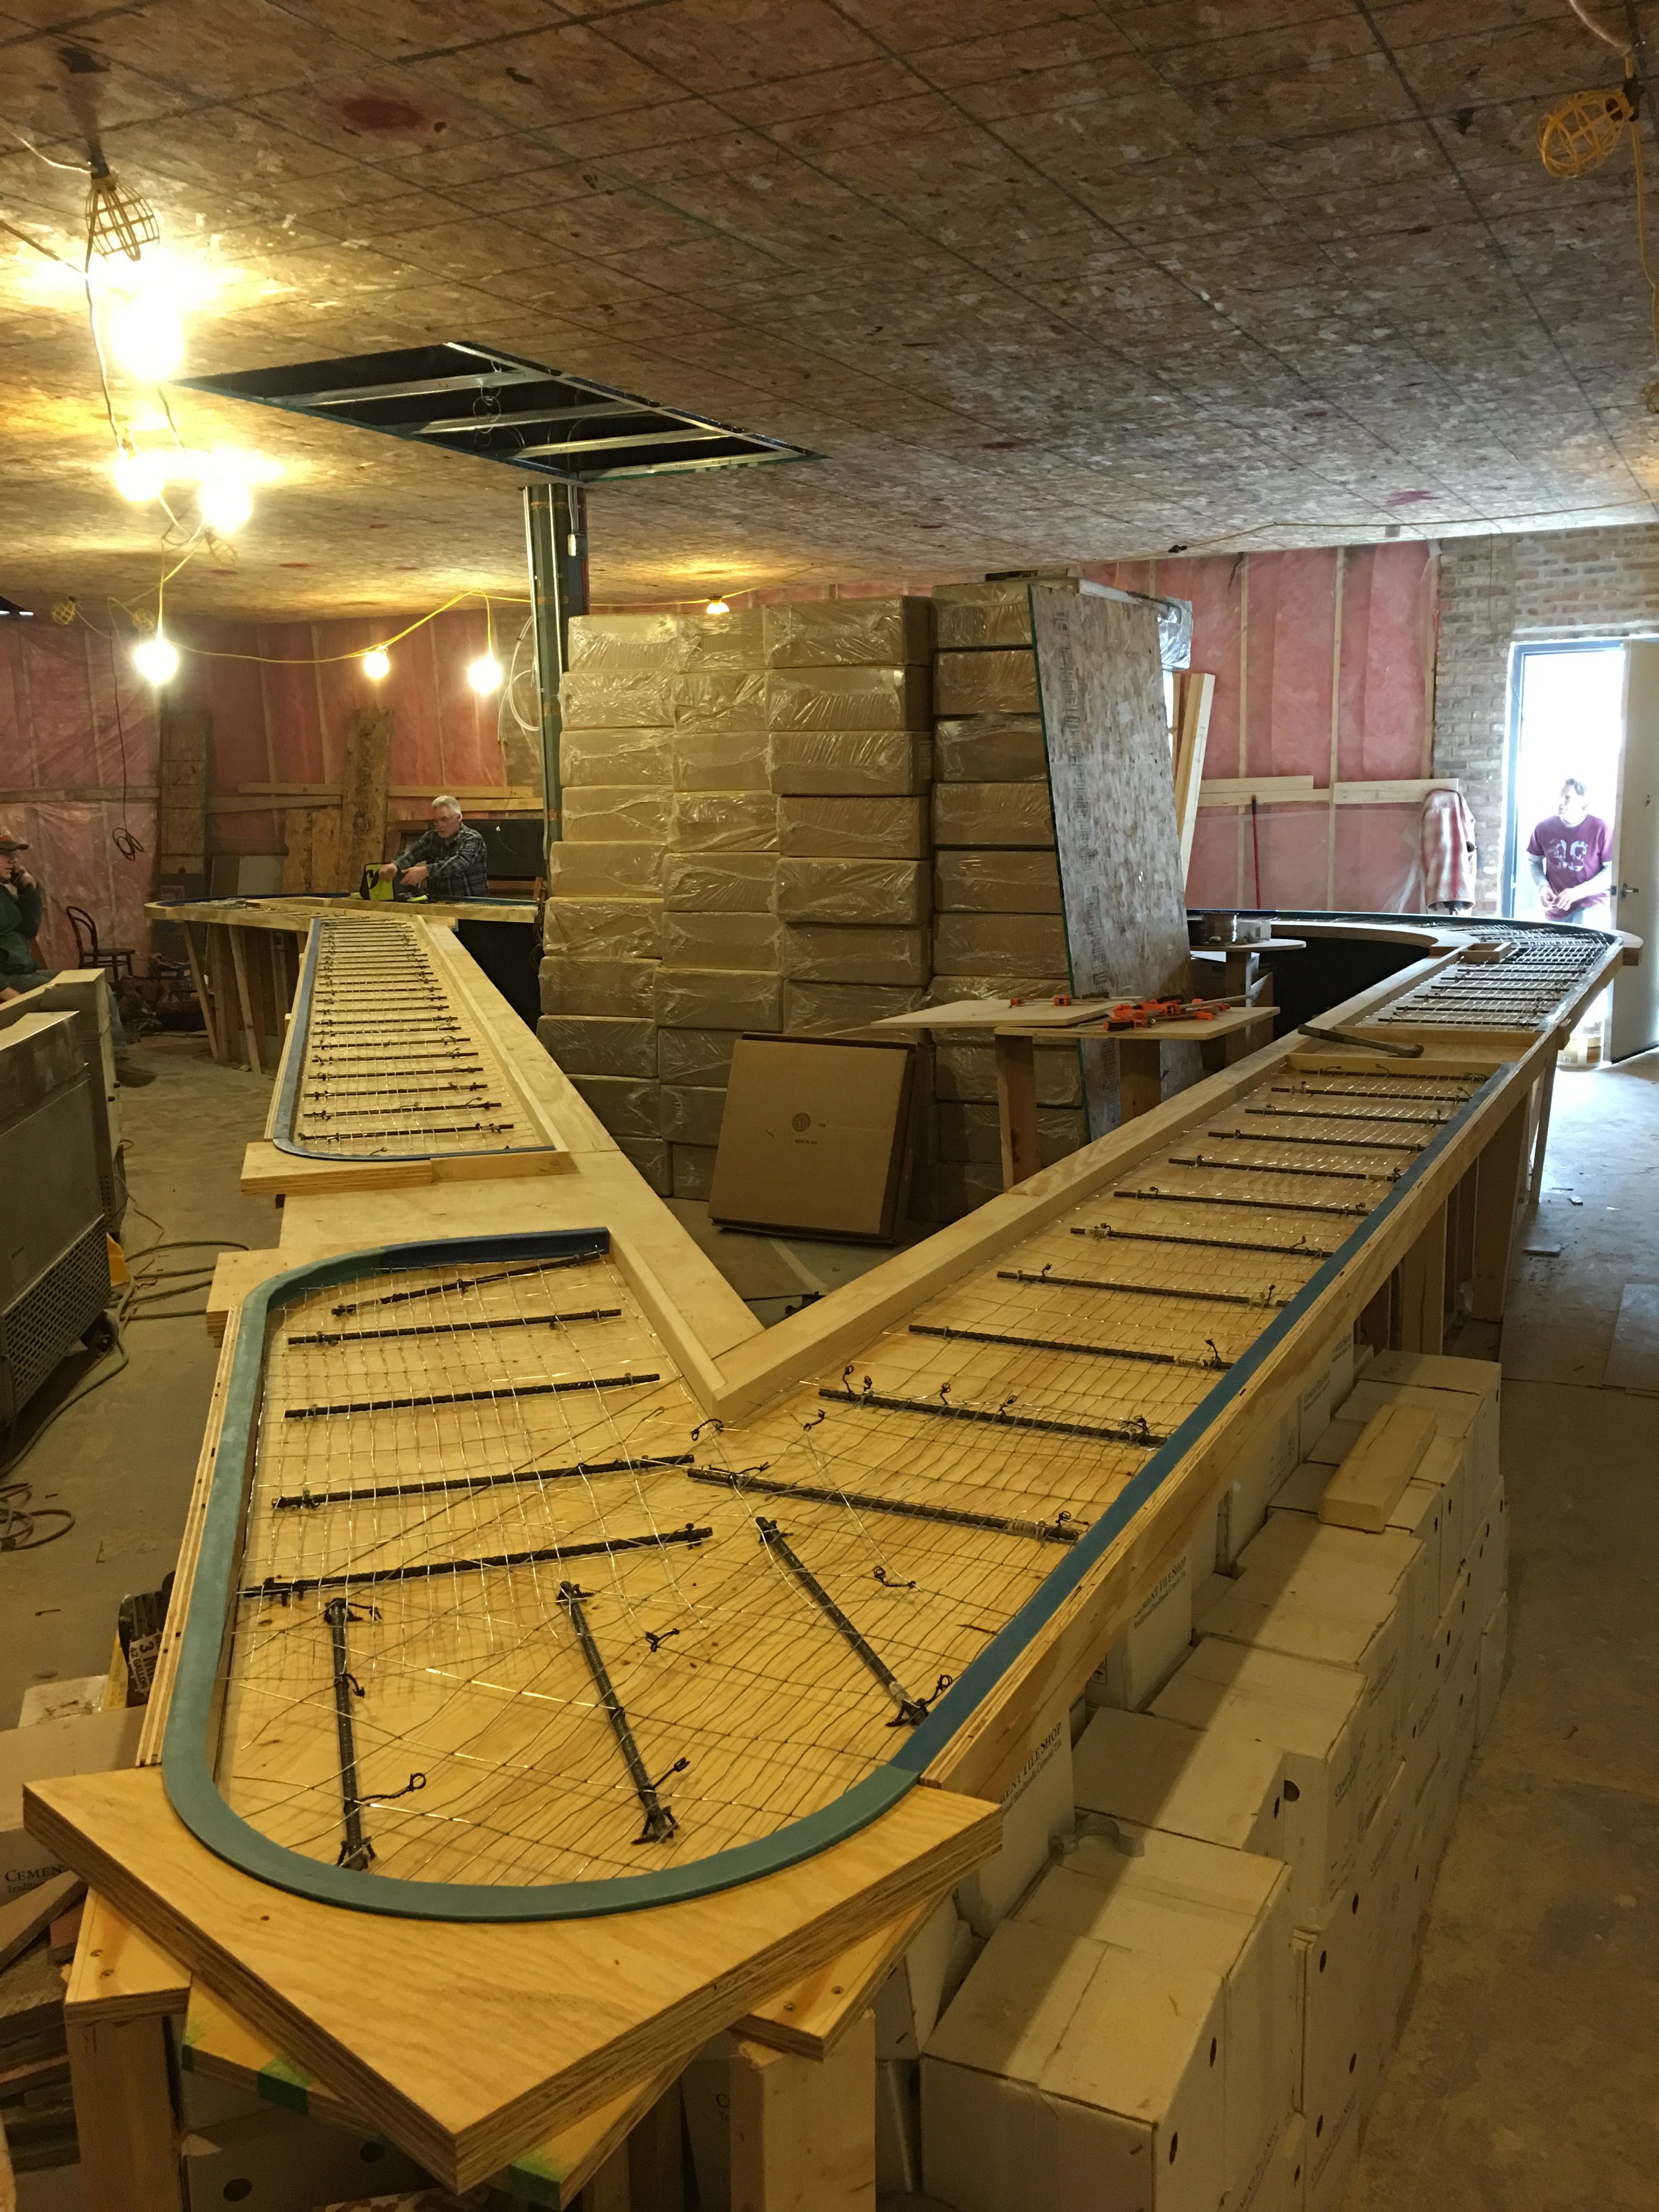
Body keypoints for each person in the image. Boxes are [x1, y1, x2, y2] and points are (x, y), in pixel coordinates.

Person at [0, 828, 153, 1082]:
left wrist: (30, 891)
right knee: (86, 994)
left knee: (97, 985)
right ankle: (104, 1065)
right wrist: (2, 988)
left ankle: (115, 1059)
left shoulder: (3, 894)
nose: (13, 861)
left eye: (14, 855)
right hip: (9, 980)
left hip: (22, 972)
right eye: (5, 855)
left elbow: (27, 929)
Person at [1526, 778, 1613, 926]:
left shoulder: (1601, 828)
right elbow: (1534, 863)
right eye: (1560, 797)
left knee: (1582, 934)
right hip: (1556, 908)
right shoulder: (1543, 828)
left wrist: (1578, 892)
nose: (1561, 802)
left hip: (1591, 903)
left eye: (1567, 798)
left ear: (1584, 801)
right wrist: (1543, 886)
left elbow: (1612, 871)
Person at [377, 794, 489, 900]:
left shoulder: (473, 838)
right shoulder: (432, 837)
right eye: (436, 821)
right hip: (438, 903)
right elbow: (413, 853)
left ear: (459, 818)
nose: (439, 825)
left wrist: (425, 871)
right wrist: (395, 865)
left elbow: (458, 863)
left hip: (473, 904)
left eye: (444, 820)